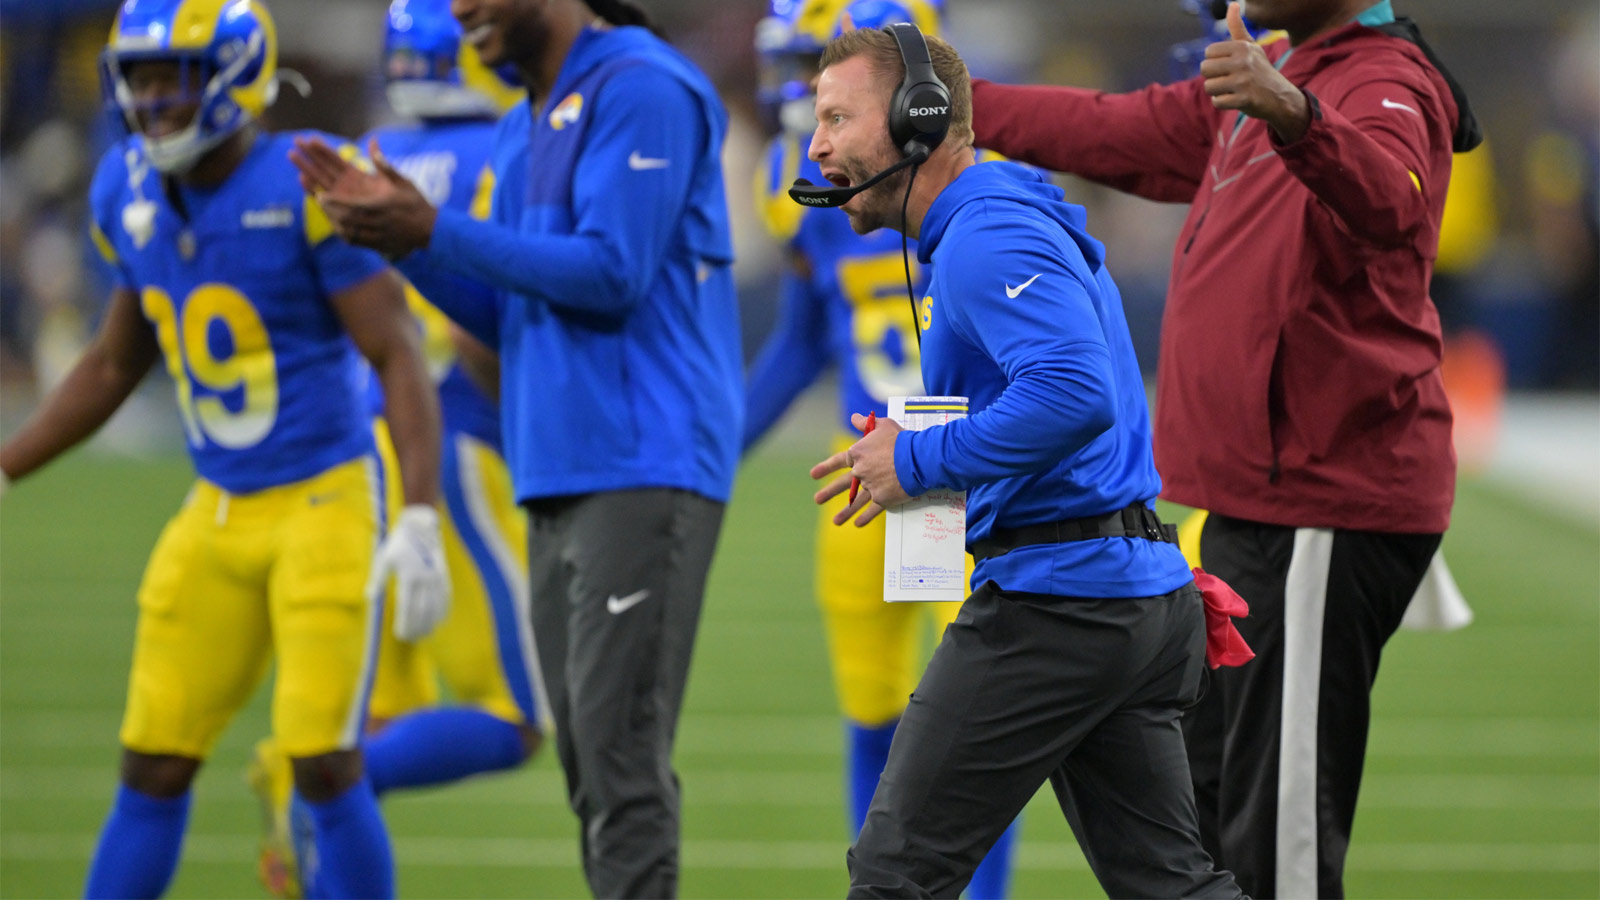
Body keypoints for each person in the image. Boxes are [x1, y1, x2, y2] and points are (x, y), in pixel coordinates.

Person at [967, 1, 1482, 895]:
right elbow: (1111, 128)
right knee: (1202, 813)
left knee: (1276, 835)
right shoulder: (1279, 66)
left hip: (1323, 505)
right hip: (1255, 502)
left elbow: (1398, 199)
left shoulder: (1382, 76)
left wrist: (1297, 115)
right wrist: (952, 103)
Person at [288, 1, 743, 895]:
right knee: (589, 765)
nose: (459, 9)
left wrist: (435, 231)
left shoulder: (641, 85)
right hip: (553, 465)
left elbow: (614, 272)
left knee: (619, 767)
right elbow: (506, 315)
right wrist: (401, 243)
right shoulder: (519, 121)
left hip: (641, 458)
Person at [0, 0, 449, 897]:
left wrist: (421, 513)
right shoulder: (124, 184)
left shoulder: (307, 182)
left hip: (323, 498)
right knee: (153, 764)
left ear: (236, 75)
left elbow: (395, 354)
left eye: (175, 78)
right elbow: (114, 361)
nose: (154, 101)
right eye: (141, 80)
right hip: (217, 507)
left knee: (323, 763)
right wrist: (6, 464)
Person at [802, 23, 1245, 899]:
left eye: (836, 118)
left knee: (893, 877)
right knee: (1173, 889)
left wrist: (922, 462)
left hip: (1061, 604)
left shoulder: (983, 237)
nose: (815, 145)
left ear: (917, 119)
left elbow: (1077, 394)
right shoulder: (998, 218)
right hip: (1125, 594)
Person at [246, 3, 542, 895]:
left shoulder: (368, 148)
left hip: (364, 452)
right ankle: (300, 777)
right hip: (452, 445)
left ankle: (315, 785)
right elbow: (491, 329)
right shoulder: (505, 146)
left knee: (375, 708)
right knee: (520, 715)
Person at [748, 2, 1019, 896]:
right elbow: (801, 337)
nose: (801, 101)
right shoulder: (799, 183)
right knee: (870, 708)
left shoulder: (989, 185)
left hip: (965, 474)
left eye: (819, 76)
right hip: (864, 471)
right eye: (797, 71)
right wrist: (717, 446)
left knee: (976, 729)